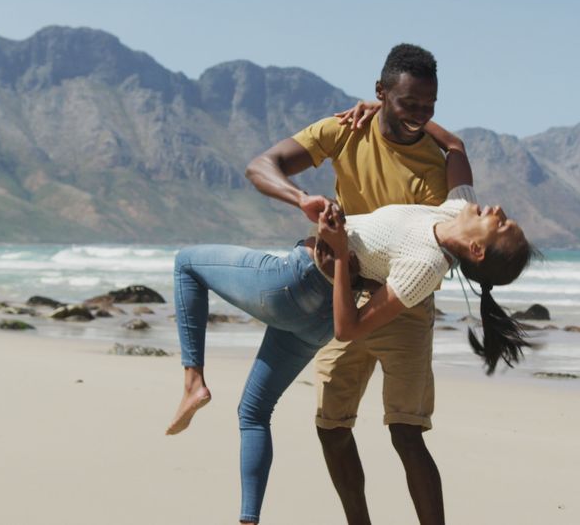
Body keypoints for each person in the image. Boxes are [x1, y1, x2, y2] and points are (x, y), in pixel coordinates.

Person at [166, 179, 535, 523]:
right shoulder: (452, 214)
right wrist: (375, 108)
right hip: (317, 320)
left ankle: (193, 380)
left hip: (294, 283)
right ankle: (248, 520)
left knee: (186, 263)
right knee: (253, 412)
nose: (499, 209)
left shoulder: (427, 263)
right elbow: (455, 149)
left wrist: (341, 253)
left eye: (502, 225)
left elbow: (350, 328)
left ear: (477, 250)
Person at [243, 43, 459, 524]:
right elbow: (261, 166)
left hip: (403, 303)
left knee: (407, 432)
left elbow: (418, 253)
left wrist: (343, 255)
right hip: (340, 296)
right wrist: (301, 199)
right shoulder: (344, 131)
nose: (419, 117)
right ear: (380, 93)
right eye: (408, 104)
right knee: (331, 428)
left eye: (429, 107)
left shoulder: (432, 167)